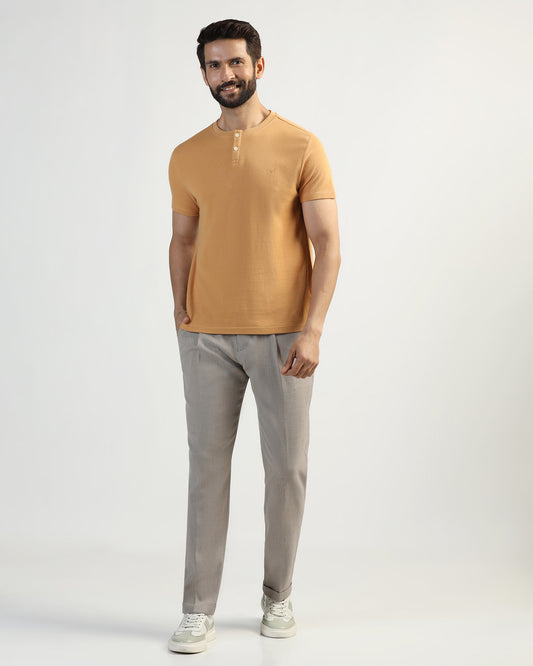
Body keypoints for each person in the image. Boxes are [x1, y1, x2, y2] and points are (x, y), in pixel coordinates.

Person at [167, 18, 341, 654]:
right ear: (204, 73)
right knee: (206, 471)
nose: (225, 75)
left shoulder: (301, 146)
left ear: (258, 66)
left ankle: (278, 595)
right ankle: (197, 609)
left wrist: (313, 330)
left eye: (235, 63)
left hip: (284, 335)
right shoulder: (186, 154)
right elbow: (182, 239)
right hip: (206, 337)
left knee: (286, 470)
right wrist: (181, 313)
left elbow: (327, 243)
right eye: (214, 65)